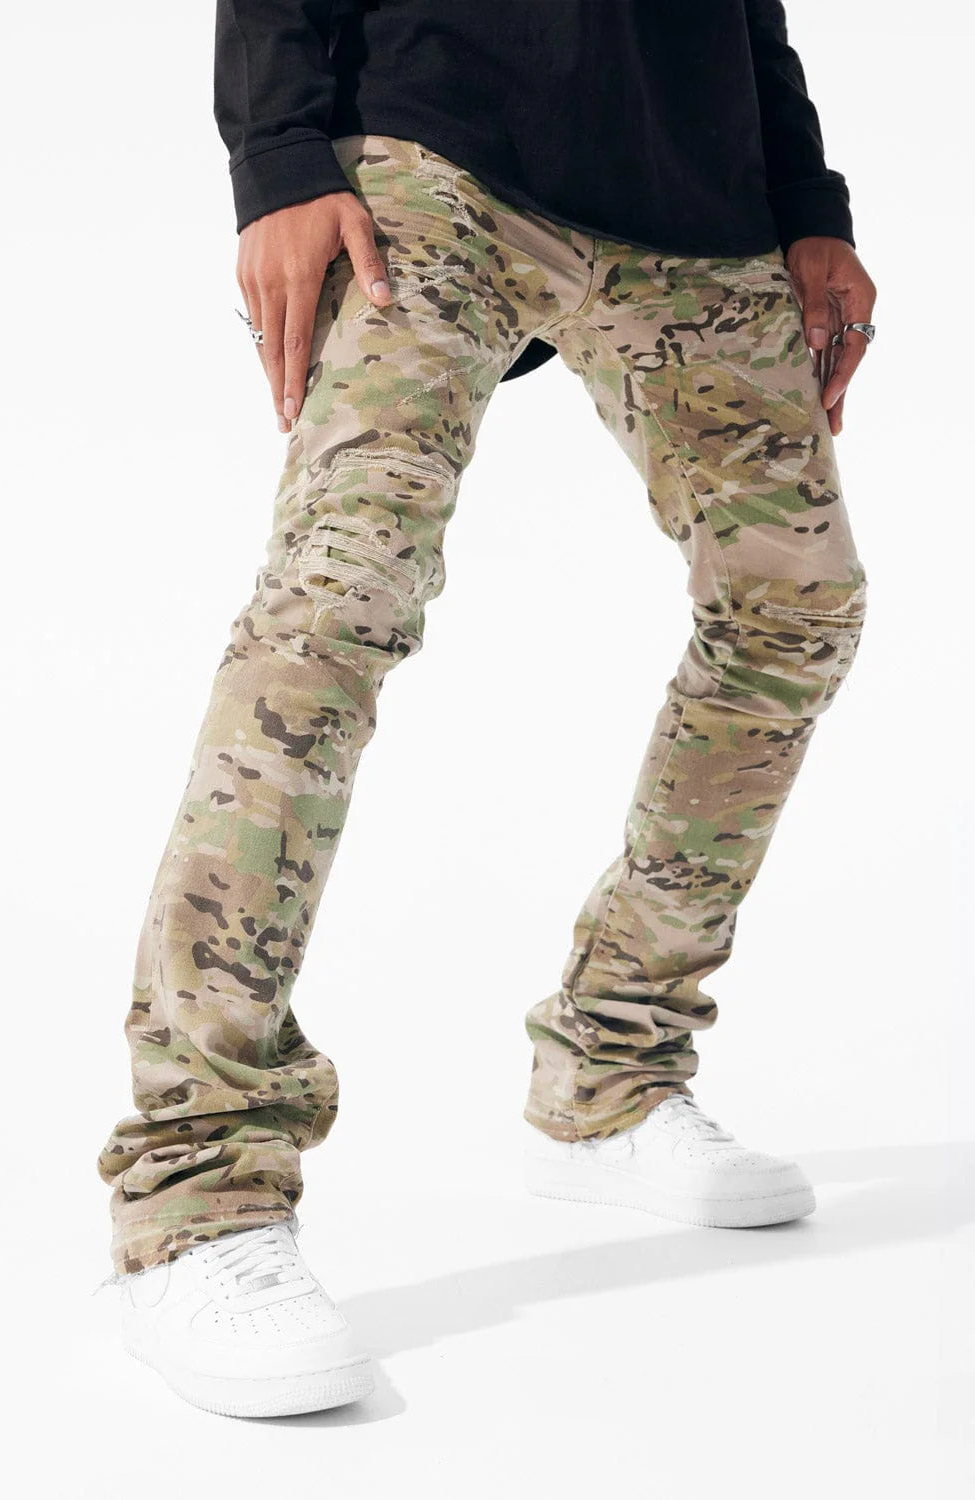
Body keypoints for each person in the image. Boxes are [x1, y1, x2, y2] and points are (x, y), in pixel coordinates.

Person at [98, 0, 876, 1417]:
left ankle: (611, 1073)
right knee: (333, 606)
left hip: (697, 198)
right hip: (434, 149)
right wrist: (279, 153)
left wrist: (806, 197)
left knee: (796, 604)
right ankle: (196, 1196)